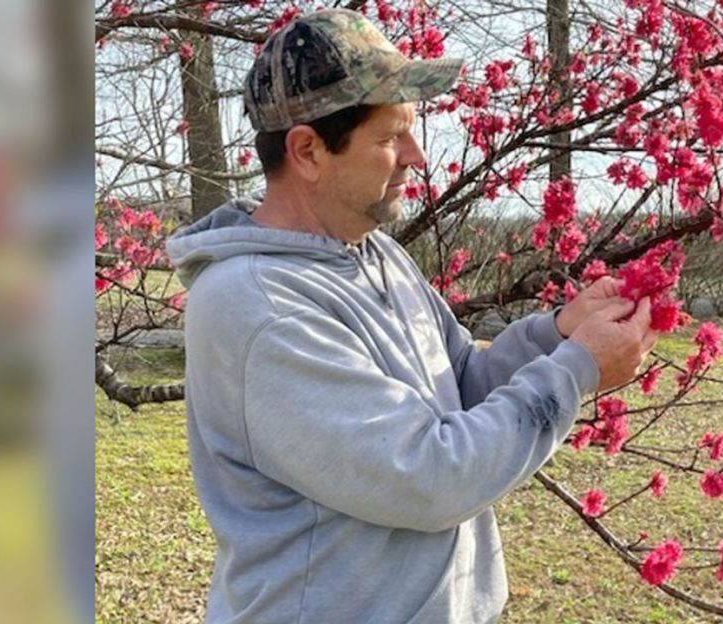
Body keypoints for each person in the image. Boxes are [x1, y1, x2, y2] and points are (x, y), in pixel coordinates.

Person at [166, 9, 657, 623]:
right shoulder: (258, 307)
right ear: (308, 151)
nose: (417, 157)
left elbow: (461, 387)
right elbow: (430, 476)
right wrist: (578, 368)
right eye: (390, 137)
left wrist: (556, 334)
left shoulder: (376, 253)